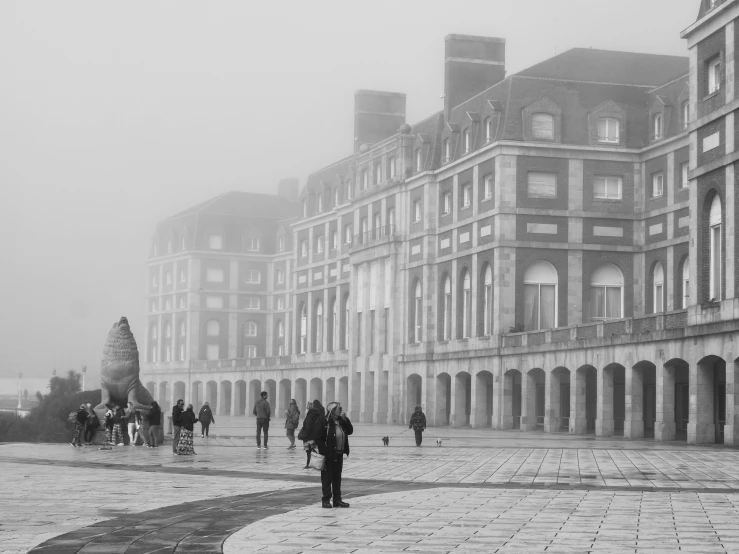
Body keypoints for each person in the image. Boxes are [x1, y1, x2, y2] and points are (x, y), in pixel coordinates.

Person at [311, 401, 353, 509]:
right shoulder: (325, 421)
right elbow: (318, 437)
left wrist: (345, 419)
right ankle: (326, 500)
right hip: (328, 454)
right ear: (332, 410)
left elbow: (350, 431)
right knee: (327, 478)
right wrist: (325, 451)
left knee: (337, 477)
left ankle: (337, 500)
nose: (341, 410)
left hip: (338, 454)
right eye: (339, 408)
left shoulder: (341, 421)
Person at [298, 400, 321, 469]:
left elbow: (308, 426)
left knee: (309, 451)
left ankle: (309, 464)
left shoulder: (310, 415)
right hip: (314, 436)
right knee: (313, 451)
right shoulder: (316, 414)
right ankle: (313, 464)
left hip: (308, 437)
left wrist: (304, 435)